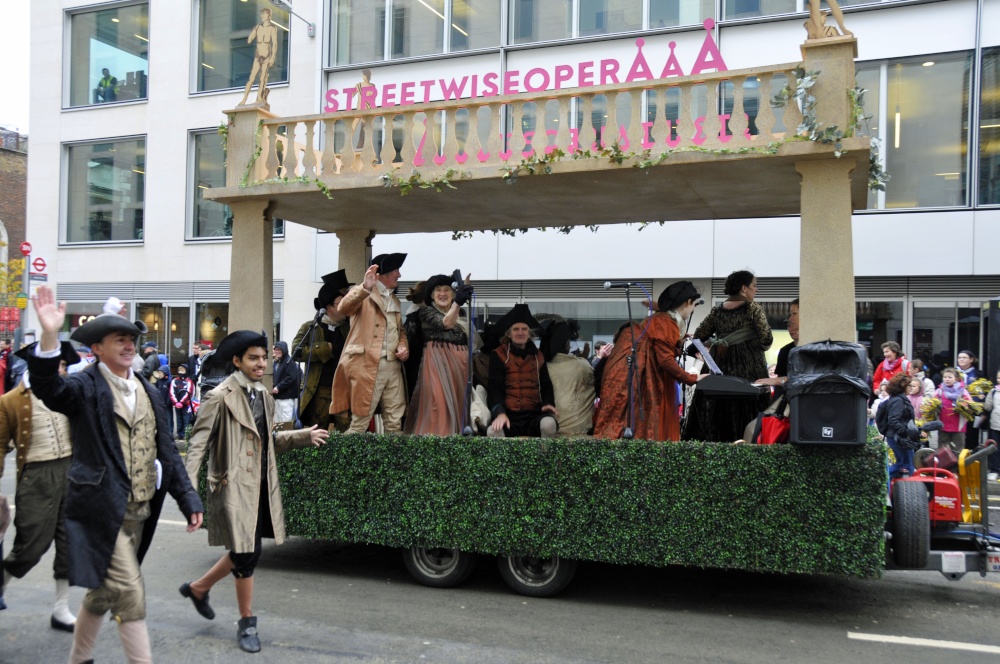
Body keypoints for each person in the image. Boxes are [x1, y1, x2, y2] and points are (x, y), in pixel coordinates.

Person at [28, 285, 204, 664]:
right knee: (129, 591)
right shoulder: (85, 385)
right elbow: (49, 388)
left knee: (102, 594)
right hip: (98, 512)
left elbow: (167, 451)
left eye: (132, 339)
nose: (129, 345)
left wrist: (188, 498)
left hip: (138, 512)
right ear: (97, 349)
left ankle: (78, 659)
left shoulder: (147, 389)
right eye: (119, 339)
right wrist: (47, 335)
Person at [180, 330, 326, 653]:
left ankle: (199, 588)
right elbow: (197, 446)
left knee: (246, 550)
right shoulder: (218, 397)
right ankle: (247, 622)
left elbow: (268, 441)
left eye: (264, 358)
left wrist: (302, 436)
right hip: (232, 487)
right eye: (254, 358)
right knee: (248, 554)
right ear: (237, 361)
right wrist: (187, 493)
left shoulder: (265, 398)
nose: (262, 364)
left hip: (261, 486)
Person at [0, 346, 81, 632]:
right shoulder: (10, 400)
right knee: (30, 546)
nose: (60, 370)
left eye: (62, 365)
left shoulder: (68, 394)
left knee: (69, 545)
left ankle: (61, 609)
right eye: (55, 364)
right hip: (36, 475)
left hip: (70, 472)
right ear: (37, 365)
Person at [594, 281, 704, 441]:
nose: (693, 309)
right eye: (694, 304)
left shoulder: (660, 319)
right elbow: (665, 360)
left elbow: (657, 348)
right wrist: (692, 378)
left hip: (631, 376)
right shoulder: (665, 322)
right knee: (642, 426)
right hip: (639, 380)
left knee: (629, 425)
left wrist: (676, 343)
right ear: (688, 302)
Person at [685, 270, 772, 442]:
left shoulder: (717, 311)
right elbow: (766, 340)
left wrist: (717, 342)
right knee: (748, 409)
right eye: (754, 286)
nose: (757, 290)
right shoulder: (753, 309)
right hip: (748, 369)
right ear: (743, 288)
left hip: (719, 367)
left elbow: (699, 336)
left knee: (718, 410)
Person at [332, 254, 410, 434]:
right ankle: (346, 461)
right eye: (396, 271)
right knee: (360, 422)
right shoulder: (362, 293)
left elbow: (401, 331)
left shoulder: (394, 299)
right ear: (385, 274)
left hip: (393, 366)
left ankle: (392, 462)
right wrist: (365, 287)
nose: (399, 275)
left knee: (394, 421)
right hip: (368, 364)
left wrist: (403, 345)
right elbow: (343, 308)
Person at [404, 273, 474, 435]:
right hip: (437, 366)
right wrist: (458, 302)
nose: (442, 294)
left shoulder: (461, 314)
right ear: (432, 295)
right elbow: (446, 323)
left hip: (459, 369)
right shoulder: (426, 312)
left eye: (447, 290)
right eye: (438, 290)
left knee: (459, 409)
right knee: (438, 407)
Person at [292, 269, 352, 432]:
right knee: (318, 432)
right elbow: (296, 352)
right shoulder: (311, 327)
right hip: (321, 390)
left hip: (343, 389)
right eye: (340, 304)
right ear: (329, 308)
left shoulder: (349, 328)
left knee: (346, 431)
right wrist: (323, 349)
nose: (345, 308)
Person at [487, 304, 558, 438]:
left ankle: (544, 459)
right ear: (509, 333)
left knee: (549, 424)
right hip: (508, 416)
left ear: (529, 333)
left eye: (524, 329)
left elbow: (546, 385)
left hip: (533, 416)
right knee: (493, 431)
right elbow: (494, 388)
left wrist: (548, 404)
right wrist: (500, 413)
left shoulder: (538, 356)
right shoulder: (498, 354)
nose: (520, 332)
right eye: (516, 329)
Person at [543, 319, 597, 436]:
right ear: (566, 344)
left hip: (550, 431)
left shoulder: (542, 367)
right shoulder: (581, 366)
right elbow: (595, 384)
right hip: (579, 433)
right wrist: (583, 360)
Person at [238, 8, 278, 106]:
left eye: (264, 14)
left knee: (262, 77)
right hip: (258, 56)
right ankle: (244, 99)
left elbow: (274, 44)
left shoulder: (272, 28)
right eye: (261, 14)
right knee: (251, 78)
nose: (262, 16)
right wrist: (253, 31)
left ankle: (259, 97)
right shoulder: (258, 27)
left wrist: (273, 57)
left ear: (269, 15)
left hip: (266, 56)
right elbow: (249, 40)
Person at [884, 372, 918, 478]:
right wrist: (906, 431)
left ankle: (884, 481)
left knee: (902, 464)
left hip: (896, 437)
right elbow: (893, 420)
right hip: (897, 438)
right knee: (908, 465)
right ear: (903, 386)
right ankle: (881, 478)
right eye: (909, 386)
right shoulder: (898, 400)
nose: (911, 388)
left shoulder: (898, 399)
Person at [935, 368, 972, 452]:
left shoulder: (963, 391)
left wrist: (963, 405)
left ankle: (957, 465)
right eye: (945, 377)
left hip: (958, 426)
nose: (947, 379)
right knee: (942, 449)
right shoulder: (939, 391)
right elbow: (931, 403)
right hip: (943, 426)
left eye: (950, 377)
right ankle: (943, 465)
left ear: (956, 378)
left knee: (958, 449)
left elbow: (970, 404)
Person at [957, 349, 984, 450]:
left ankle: (971, 461)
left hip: (972, 411)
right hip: (956, 411)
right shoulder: (953, 372)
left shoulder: (978, 373)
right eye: (959, 357)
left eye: (964, 357)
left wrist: (980, 410)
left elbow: (982, 393)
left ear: (971, 359)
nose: (961, 359)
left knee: (972, 438)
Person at [271, 341, 300, 427]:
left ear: (284, 350)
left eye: (279, 349)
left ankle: (286, 439)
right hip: (278, 398)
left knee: (285, 423)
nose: (277, 352)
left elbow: (291, 377)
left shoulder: (289, 361)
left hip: (286, 399)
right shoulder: (278, 362)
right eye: (276, 350)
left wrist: (278, 387)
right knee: (278, 422)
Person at [981, 370, 1000, 481]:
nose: (999, 380)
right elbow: (988, 407)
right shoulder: (993, 392)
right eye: (998, 378)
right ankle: (994, 470)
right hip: (996, 424)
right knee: (995, 448)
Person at [169, 365, 196, 441]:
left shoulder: (189, 381)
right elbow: (172, 392)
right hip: (177, 405)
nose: (180, 372)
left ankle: (186, 435)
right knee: (179, 419)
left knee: (186, 419)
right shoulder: (174, 381)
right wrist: (176, 402)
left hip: (186, 405)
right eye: (179, 371)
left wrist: (182, 402)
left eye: (182, 371)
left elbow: (189, 392)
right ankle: (179, 434)